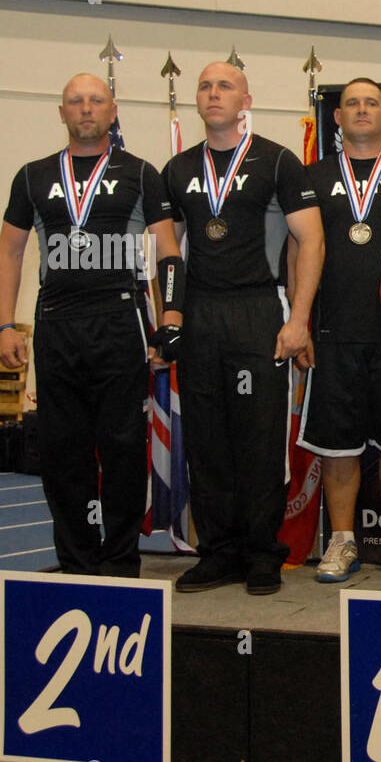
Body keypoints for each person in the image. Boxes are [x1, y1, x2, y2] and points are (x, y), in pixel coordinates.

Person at [0, 72, 182, 578]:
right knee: (62, 452)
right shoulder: (32, 176)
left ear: (112, 110)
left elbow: (168, 254)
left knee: (122, 448)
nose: (86, 109)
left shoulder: (141, 173)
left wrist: (170, 320)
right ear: (61, 112)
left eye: (96, 100)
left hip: (121, 324)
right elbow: (9, 251)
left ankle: (120, 560)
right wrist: (4, 326)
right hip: (56, 324)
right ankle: (74, 560)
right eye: (75, 101)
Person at [161, 61, 324, 596]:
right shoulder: (179, 167)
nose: (213, 94)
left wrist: (298, 320)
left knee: (258, 439)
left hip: (258, 309)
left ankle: (261, 553)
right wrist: (169, 317)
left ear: (245, 99)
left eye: (224, 86)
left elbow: (311, 241)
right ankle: (218, 552)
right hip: (201, 313)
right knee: (206, 438)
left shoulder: (276, 161)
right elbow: (168, 251)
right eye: (205, 86)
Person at [293, 78, 381, 584]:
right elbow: (297, 252)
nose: (362, 110)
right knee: (337, 446)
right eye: (352, 103)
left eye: (372, 103)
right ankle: (342, 542)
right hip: (333, 331)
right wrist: (299, 321)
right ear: (338, 117)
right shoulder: (311, 177)